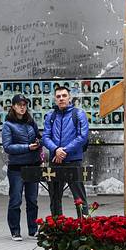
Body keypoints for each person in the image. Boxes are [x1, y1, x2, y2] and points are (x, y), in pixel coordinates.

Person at [42, 84, 88, 217]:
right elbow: (45, 137)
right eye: (58, 96)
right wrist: (56, 149)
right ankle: (57, 226)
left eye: (64, 96)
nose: (61, 98)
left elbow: (82, 137)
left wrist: (64, 151)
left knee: (79, 197)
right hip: (55, 161)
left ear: (69, 98)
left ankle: (83, 226)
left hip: (73, 160)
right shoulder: (50, 115)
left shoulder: (78, 113)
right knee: (55, 197)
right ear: (55, 99)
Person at [2, 95, 41, 241]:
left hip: (33, 166)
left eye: (24, 104)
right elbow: (7, 147)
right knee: (16, 199)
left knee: (32, 200)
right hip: (16, 168)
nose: (22, 107)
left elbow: (38, 136)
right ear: (13, 106)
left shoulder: (31, 122)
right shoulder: (8, 125)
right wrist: (27, 147)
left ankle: (33, 229)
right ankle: (15, 231)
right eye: (19, 104)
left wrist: (39, 141)